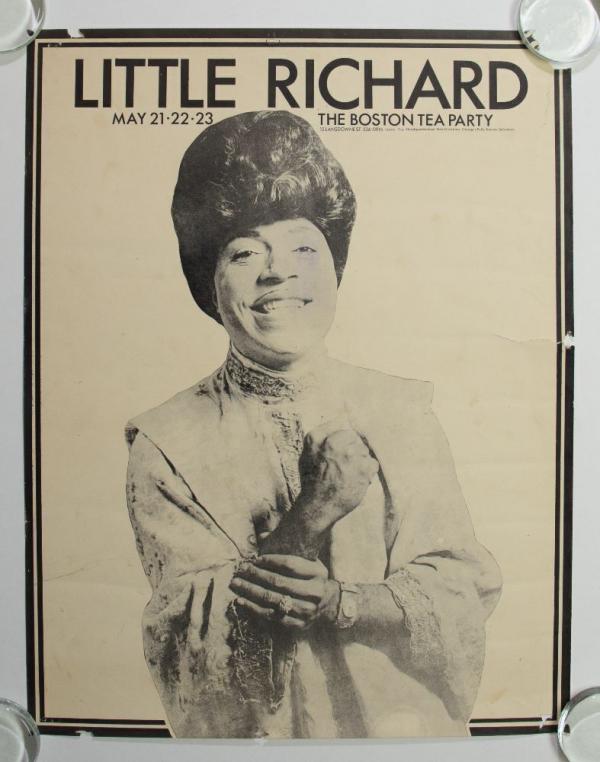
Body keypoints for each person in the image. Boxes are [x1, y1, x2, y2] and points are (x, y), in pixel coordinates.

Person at [125, 110, 502, 739]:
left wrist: (342, 604)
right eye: (246, 252)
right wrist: (313, 512)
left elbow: (464, 591)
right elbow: (193, 657)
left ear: (334, 265)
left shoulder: (401, 410)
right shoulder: (167, 443)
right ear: (207, 282)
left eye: (304, 246)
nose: (279, 270)